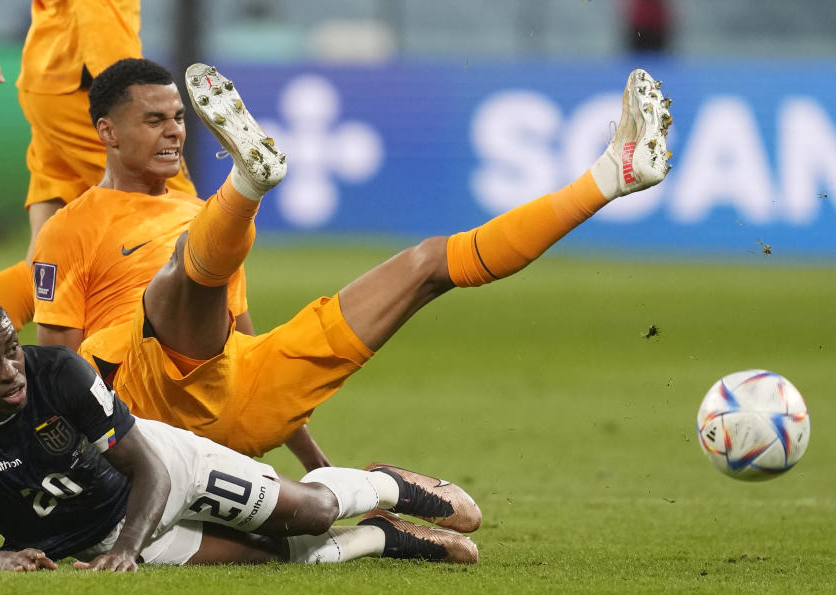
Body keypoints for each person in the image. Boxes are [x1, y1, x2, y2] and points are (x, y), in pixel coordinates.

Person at [33, 60, 673, 459]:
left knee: (426, 264)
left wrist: (316, 465)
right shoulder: (70, 229)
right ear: (108, 133)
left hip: (231, 389)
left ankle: (611, 175)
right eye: (154, 120)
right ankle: (250, 186)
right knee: (184, 273)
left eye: (178, 118)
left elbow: (246, 343)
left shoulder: (193, 210)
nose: (174, 131)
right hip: (140, 402)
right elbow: (57, 370)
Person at [0, 1, 325, 503]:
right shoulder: (134, 119)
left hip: (54, 64)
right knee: (196, 251)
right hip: (92, 76)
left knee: (48, 270)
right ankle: (102, 447)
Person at [0, 293, 480, 571]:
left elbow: (148, 467)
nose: (10, 371)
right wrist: (0, 560)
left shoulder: (59, 372)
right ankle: (385, 535)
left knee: (312, 515)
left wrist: (129, 550)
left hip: (166, 472)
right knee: (290, 559)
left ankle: (382, 486)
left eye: (10, 352)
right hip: (95, 540)